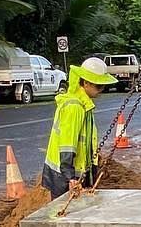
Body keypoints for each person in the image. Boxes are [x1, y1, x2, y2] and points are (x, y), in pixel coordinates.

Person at [41, 56, 116, 197]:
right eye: (99, 86)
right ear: (86, 83)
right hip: (63, 174)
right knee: (62, 214)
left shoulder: (83, 104)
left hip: (69, 171)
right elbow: (67, 144)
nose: (101, 90)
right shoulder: (75, 107)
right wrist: (70, 177)